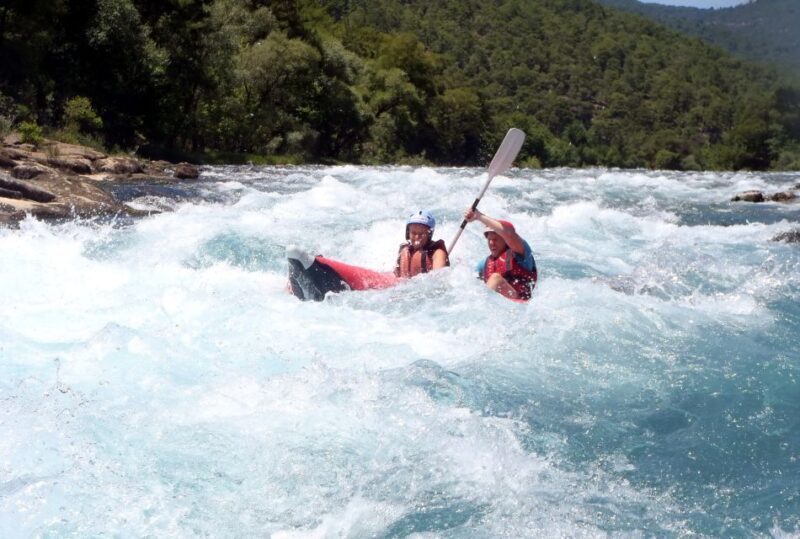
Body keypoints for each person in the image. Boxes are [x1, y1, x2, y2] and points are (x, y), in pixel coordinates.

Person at [463, 208, 537, 300]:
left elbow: (509, 233)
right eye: (489, 240)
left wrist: (479, 216)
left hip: (520, 302)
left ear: (505, 241)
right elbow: (471, 281)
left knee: (495, 278)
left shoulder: (521, 253)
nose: (491, 243)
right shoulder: (484, 263)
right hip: (496, 304)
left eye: (495, 240)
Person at [394, 210, 449, 278]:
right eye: (414, 233)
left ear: (429, 234)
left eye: (421, 234)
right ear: (408, 233)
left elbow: (439, 279)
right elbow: (396, 276)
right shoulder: (404, 250)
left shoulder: (437, 253)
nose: (417, 237)